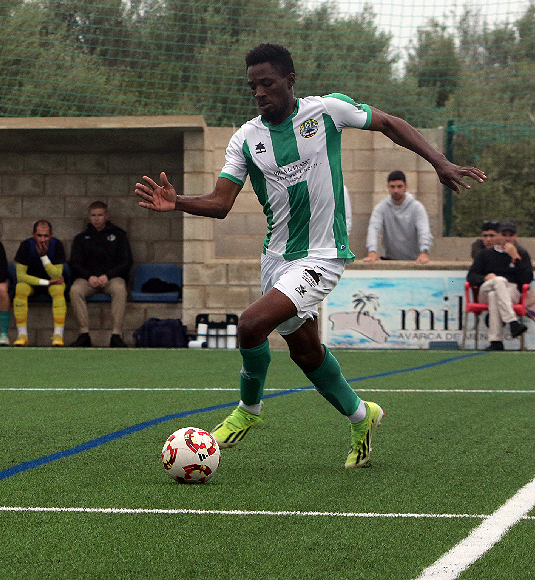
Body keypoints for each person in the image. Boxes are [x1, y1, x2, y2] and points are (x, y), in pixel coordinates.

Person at [135, 42, 485, 468]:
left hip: (323, 255)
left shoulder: (326, 111)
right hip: (277, 259)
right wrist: (178, 202)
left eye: (267, 83)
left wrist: (439, 162)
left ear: (290, 80)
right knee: (306, 352)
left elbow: (391, 124)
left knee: (251, 324)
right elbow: (221, 203)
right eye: (253, 86)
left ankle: (248, 410)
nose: (259, 92)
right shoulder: (245, 139)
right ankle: (362, 416)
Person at [68, 201, 133, 347]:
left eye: (100, 215)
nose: (96, 218)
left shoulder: (119, 236)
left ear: (106, 216)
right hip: (88, 279)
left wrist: (108, 276)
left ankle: (116, 334)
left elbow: (126, 262)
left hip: (111, 279)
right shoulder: (81, 238)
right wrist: (88, 276)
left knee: (120, 289)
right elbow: (74, 263)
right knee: (75, 290)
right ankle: (84, 334)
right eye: (93, 215)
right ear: (89, 217)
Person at [467, 221, 532, 351]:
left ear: (515, 237)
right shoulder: (486, 254)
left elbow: (526, 279)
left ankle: (496, 342)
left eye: (510, 235)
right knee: (499, 281)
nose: (507, 238)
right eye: (503, 235)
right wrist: (485, 278)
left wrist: (515, 258)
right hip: (486, 288)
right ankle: (513, 322)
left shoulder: (522, 254)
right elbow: (471, 276)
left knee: (494, 296)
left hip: (511, 291)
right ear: (498, 236)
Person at [12, 219, 67, 347]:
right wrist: (45, 282)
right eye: (39, 235)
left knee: (58, 289)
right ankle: (22, 334)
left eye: (46, 236)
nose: (42, 239)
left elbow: (57, 276)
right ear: (33, 234)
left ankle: (58, 334)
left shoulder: (57, 245)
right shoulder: (26, 245)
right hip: (34, 283)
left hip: (53, 284)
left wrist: (44, 257)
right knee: (20, 288)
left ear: (51, 235)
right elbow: (20, 276)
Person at [362, 170, 433, 263]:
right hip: (390, 259)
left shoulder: (417, 207)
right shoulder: (381, 207)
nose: (396, 190)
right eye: (392, 187)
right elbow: (373, 229)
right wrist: (372, 251)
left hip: (415, 261)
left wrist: (424, 252)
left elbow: (424, 230)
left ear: (405, 187)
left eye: (399, 186)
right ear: (388, 187)